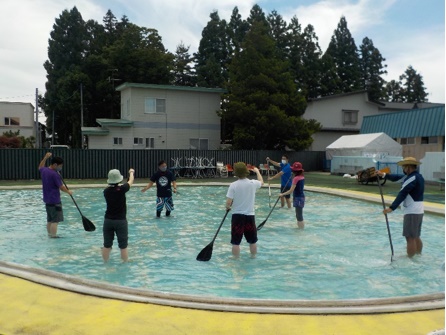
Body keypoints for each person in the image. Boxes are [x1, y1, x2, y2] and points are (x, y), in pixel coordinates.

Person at [376, 157, 424, 258]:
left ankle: (410, 259)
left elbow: (402, 193)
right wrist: (383, 174)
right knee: (416, 236)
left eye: (404, 166)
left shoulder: (411, 178)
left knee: (409, 237)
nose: (403, 169)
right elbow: (397, 177)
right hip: (419, 210)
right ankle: (418, 255)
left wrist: (391, 208)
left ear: (408, 167)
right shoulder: (418, 176)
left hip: (411, 211)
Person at [225, 162, 264, 258]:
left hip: (237, 216)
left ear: (236, 173)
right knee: (252, 241)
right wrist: (257, 172)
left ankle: (235, 260)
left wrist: (228, 207)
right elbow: (262, 182)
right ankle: (253, 257)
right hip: (250, 216)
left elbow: (228, 202)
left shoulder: (233, 185)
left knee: (236, 242)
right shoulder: (253, 183)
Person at [102, 168, 135, 262]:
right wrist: (131, 172)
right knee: (123, 246)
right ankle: (125, 262)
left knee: (107, 245)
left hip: (108, 220)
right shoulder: (122, 189)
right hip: (120, 221)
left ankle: (105, 263)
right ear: (119, 179)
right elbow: (131, 181)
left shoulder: (106, 191)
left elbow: (113, 188)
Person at [38, 152, 72, 238]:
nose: (61, 167)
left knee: (50, 220)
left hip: (47, 200)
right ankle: (54, 236)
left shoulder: (44, 170)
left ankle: (49, 235)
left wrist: (45, 157)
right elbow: (61, 187)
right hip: (55, 200)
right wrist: (68, 192)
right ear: (55, 164)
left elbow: (40, 166)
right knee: (55, 221)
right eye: (60, 166)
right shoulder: (54, 174)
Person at [279, 162, 305, 229]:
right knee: (298, 214)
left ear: (294, 171)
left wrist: (282, 194)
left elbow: (291, 190)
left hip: (298, 198)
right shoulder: (301, 177)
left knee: (299, 215)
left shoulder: (296, 179)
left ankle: (301, 230)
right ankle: (300, 228)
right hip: (301, 197)